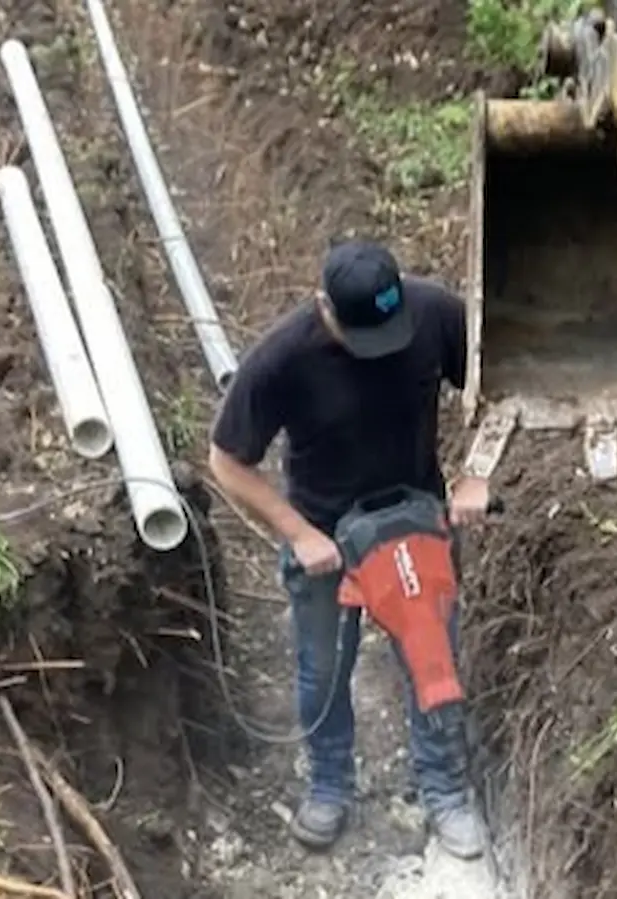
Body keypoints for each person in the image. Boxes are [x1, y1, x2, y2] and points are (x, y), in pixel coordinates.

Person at [207, 239, 492, 860]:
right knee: (322, 667)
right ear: (323, 308)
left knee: (432, 657)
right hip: (326, 536)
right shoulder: (283, 358)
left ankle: (446, 791)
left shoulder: (435, 314)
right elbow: (226, 460)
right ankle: (330, 783)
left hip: (414, 518)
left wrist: (479, 471)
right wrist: (299, 533)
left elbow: (502, 386)